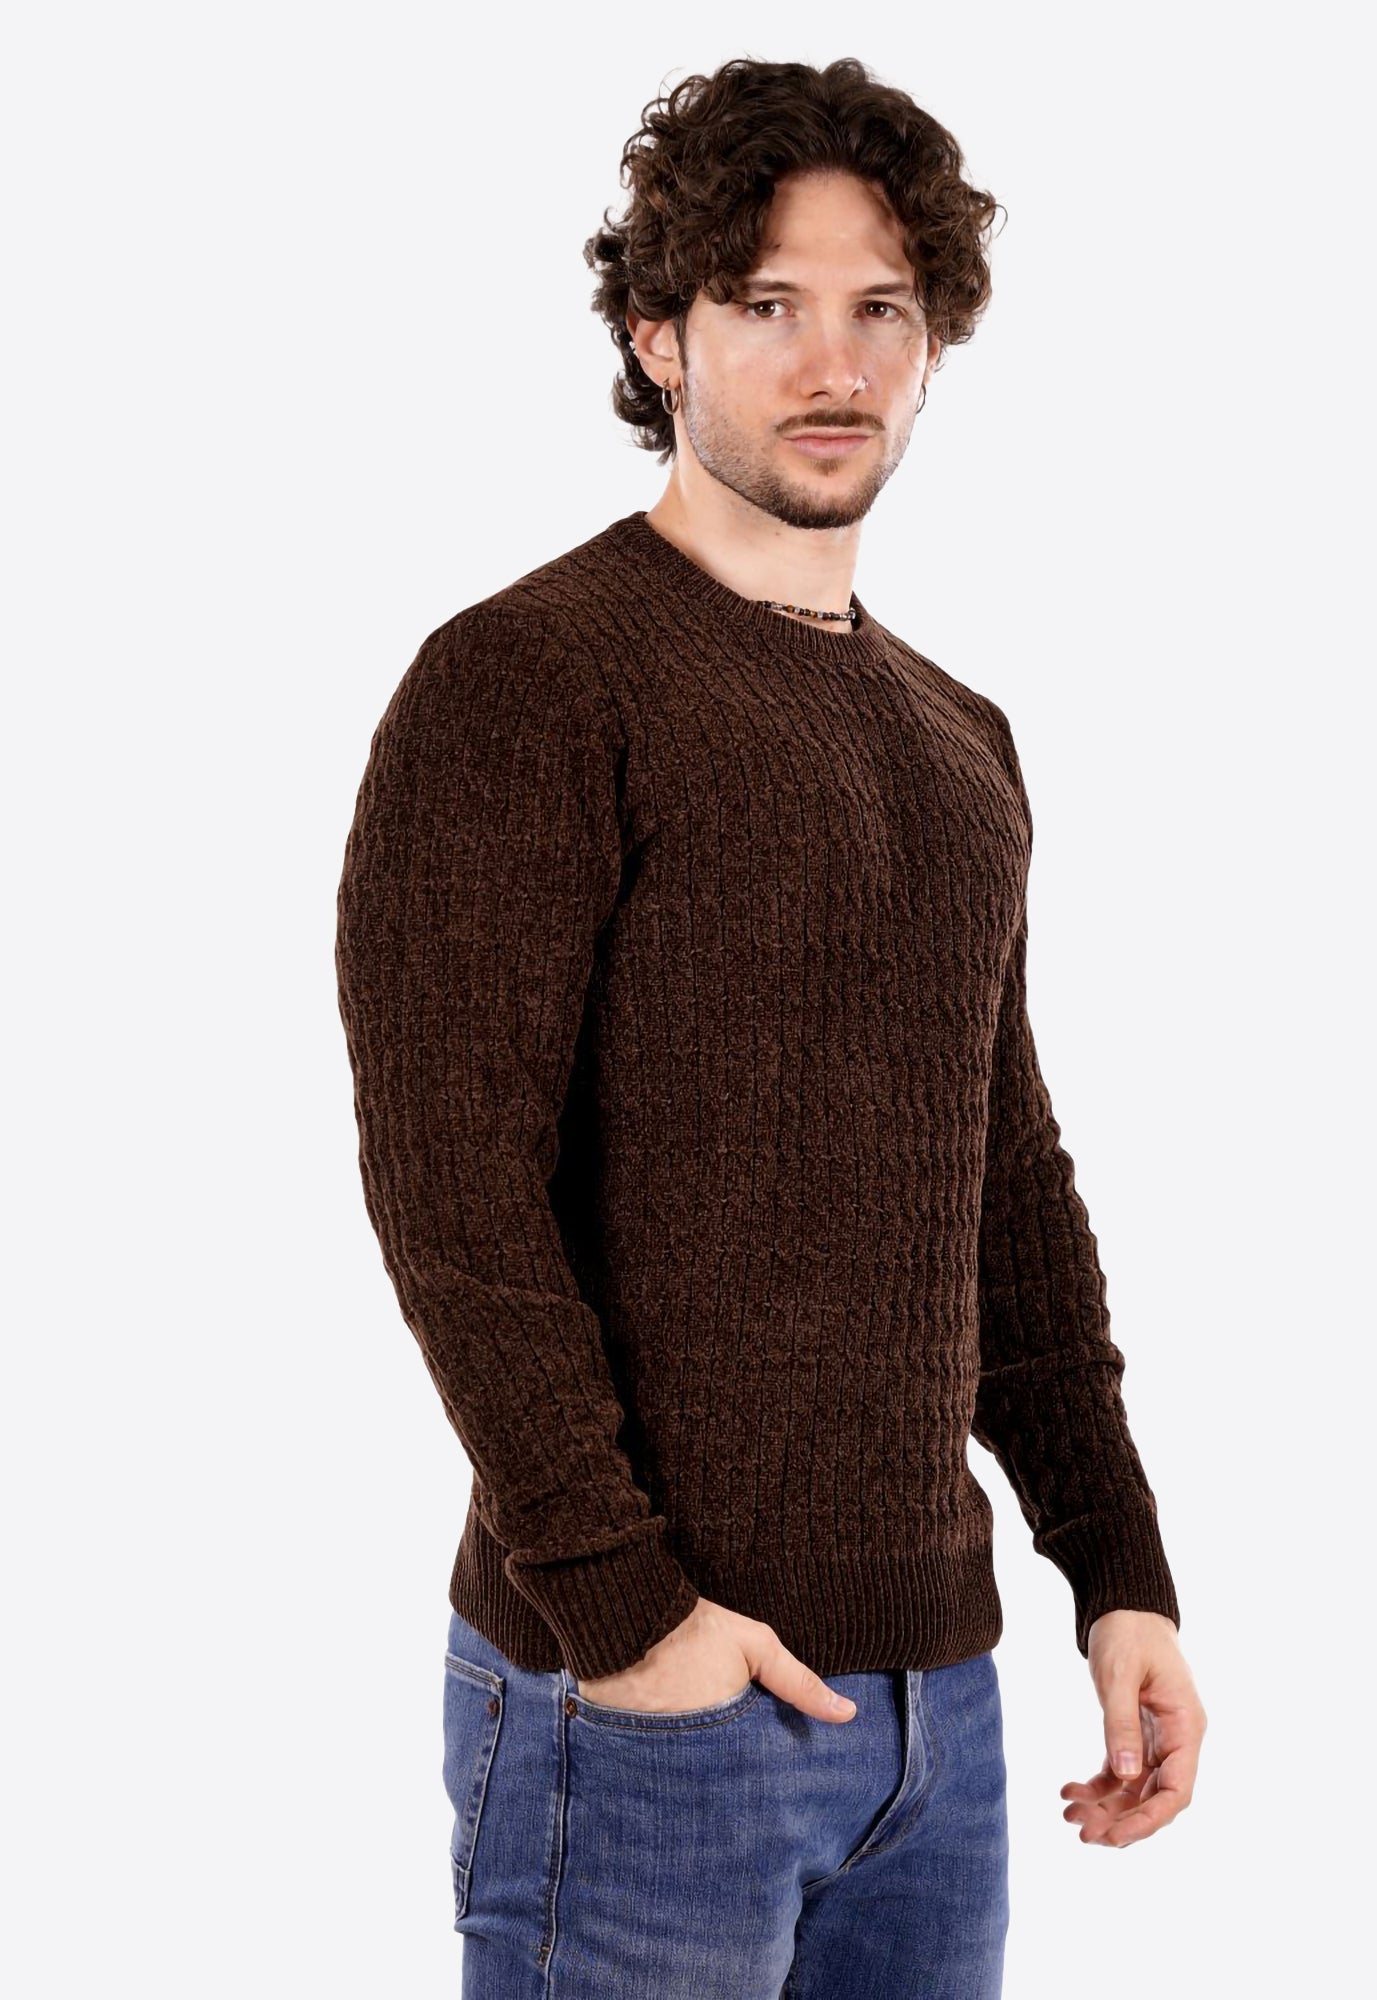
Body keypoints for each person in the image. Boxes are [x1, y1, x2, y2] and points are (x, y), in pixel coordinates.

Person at [334, 54, 1207, 2000]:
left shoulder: (962, 738)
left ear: (933, 338)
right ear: (660, 336)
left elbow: (1003, 1185)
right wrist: (630, 1616)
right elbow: (454, 1193)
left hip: (938, 1711)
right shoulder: (525, 681)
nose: (835, 361)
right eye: (767, 302)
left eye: (880, 306)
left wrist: (1117, 1568)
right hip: (646, 1705)